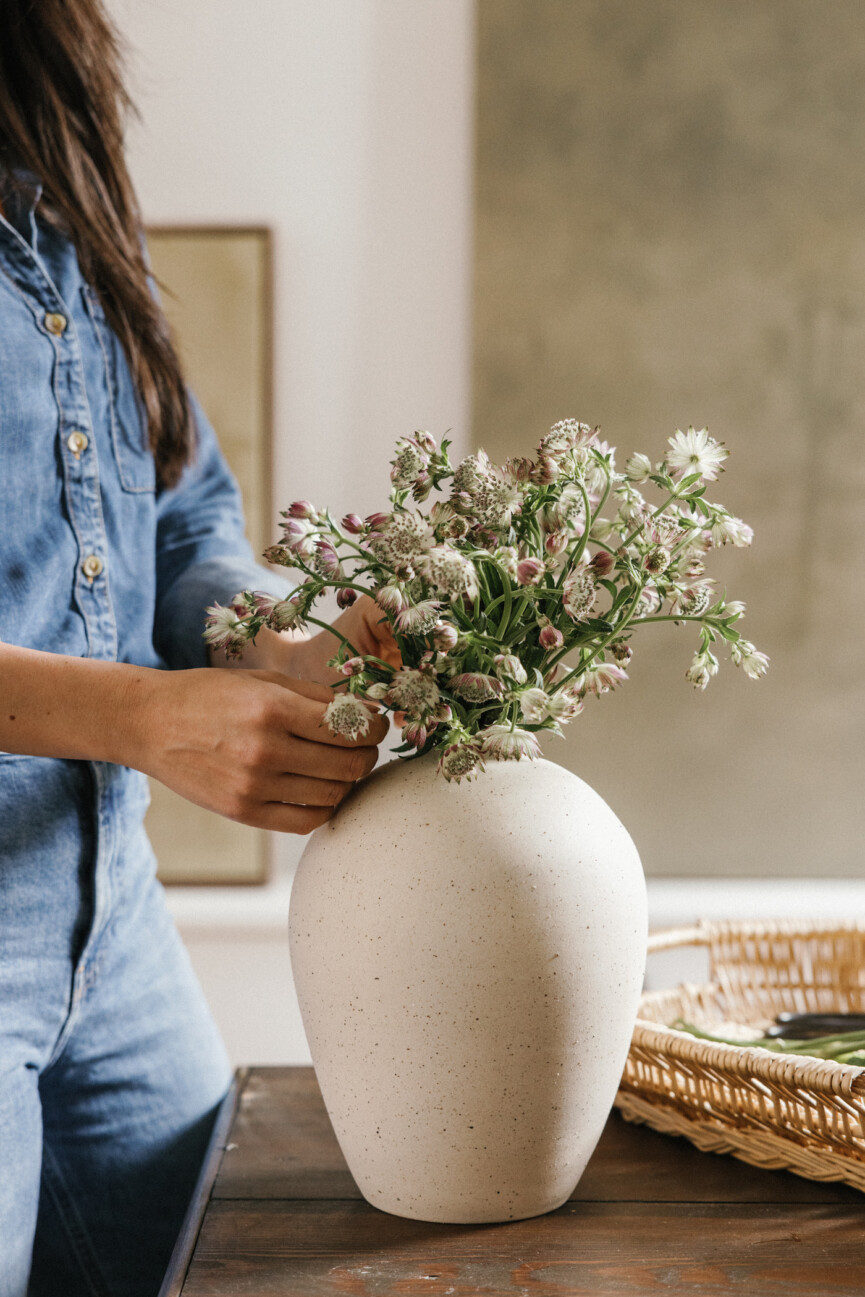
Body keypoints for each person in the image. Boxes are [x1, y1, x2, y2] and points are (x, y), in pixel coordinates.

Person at [0, 3, 399, 1294]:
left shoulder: (59, 178)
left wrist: (275, 640)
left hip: (110, 917)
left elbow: (178, 516)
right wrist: (142, 719)